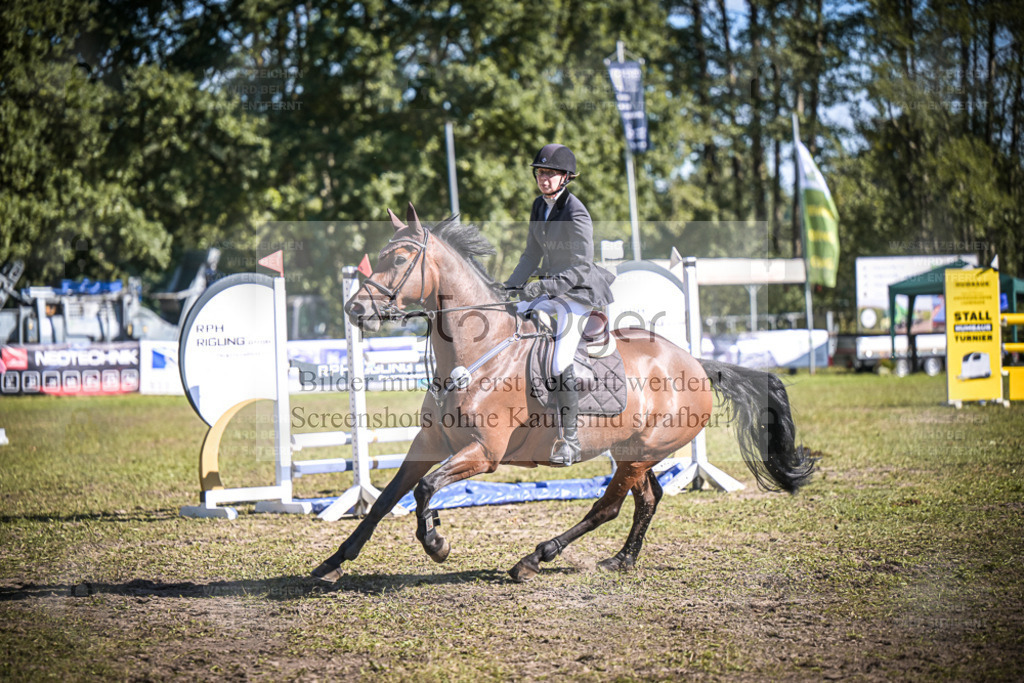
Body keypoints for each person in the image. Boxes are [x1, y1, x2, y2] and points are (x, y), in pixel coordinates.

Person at [504, 143, 615, 466]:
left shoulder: (576, 211)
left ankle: (570, 441)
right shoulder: (539, 206)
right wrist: (509, 286)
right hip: (551, 292)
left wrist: (544, 286)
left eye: (550, 174)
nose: (544, 179)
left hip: (578, 294)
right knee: (516, 320)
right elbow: (531, 255)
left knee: (558, 360)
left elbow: (582, 265)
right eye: (540, 173)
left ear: (566, 177)